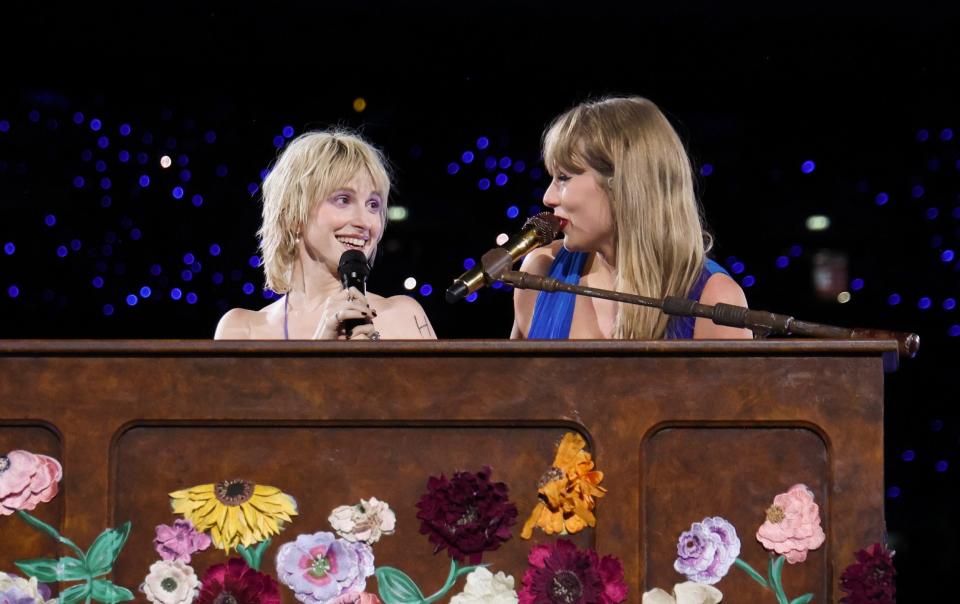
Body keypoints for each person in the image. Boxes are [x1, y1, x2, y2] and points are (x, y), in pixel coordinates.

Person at [511, 96, 752, 340]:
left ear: (623, 187)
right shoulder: (539, 272)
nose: (548, 197)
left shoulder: (714, 300)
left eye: (563, 177)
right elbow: (509, 378)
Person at [215, 130, 435, 340]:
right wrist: (320, 349)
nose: (365, 221)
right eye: (343, 200)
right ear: (292, 213)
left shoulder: (404, 317)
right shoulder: (244, 330)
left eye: (373, 204)